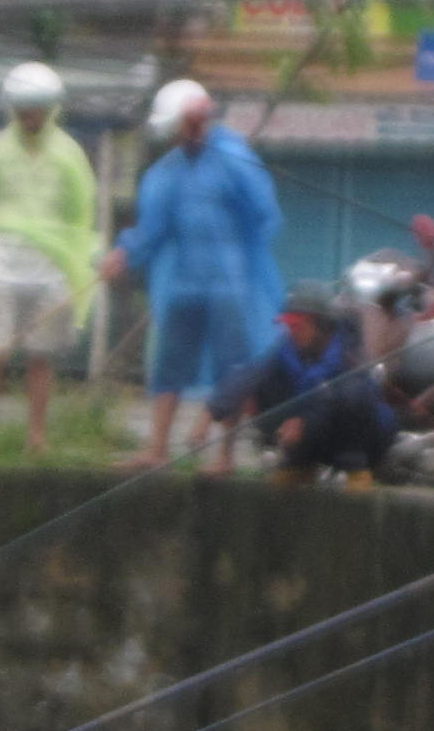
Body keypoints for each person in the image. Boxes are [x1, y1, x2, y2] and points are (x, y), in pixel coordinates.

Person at [101, 79, 281, 469]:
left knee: (231, 367)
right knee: (170, 363)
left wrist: (215, 140)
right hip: (185, 282)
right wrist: (124, 253)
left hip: (229, 283)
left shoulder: (233, 155)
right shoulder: (167, 171)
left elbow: (264, 209)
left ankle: (225, 455)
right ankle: (157, 448)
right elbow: (152, 227)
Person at [0, 62, 100, 458]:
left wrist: (80, 254)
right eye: (21, 107)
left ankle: (36, 436)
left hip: (48, 267)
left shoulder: (69, 154)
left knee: (42, 355)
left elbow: (80, 211)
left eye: (35, 107)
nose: (28, 115)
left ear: (51, 108)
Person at [211, 282, 390, 482]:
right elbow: (254, 371)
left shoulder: (349, 350)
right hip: (312, 434)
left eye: (298, 326)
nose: (292, 332)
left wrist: (305, 421)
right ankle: (299, 463)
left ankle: (356, 471)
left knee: (352, 392)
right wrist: (218, 405)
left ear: (321, 325)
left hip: (362, 439)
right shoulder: (290, 349)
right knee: (261, 384)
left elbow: (344, 395)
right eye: (289, 326)